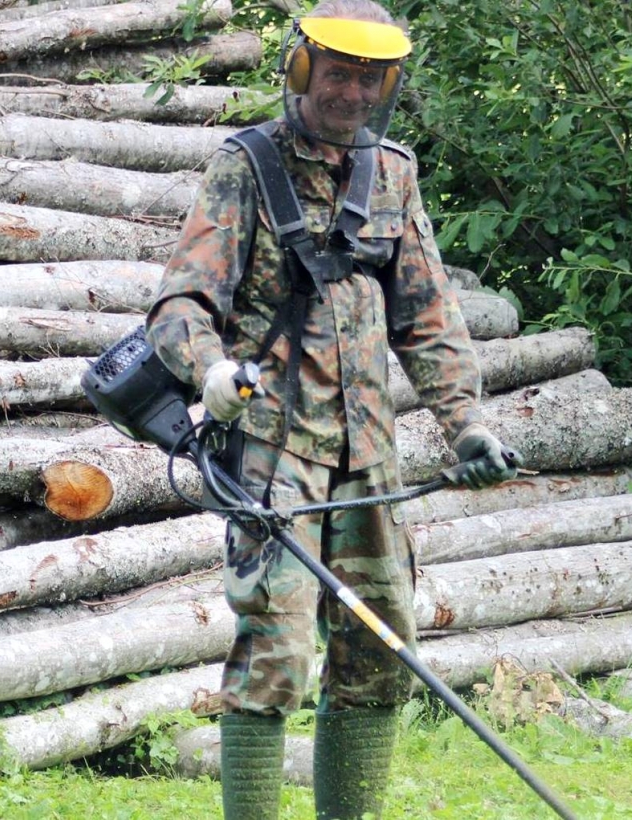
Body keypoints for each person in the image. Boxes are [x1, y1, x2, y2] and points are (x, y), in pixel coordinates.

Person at [144, 1, 517, 817]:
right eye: (340, 73)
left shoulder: (390, 173)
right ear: (304, 70)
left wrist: (468, 424)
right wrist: (211, 373)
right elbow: (179, 305)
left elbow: (428, 315)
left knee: (379, 655)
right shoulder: (247, 165)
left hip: (368, 456)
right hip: (272, 454)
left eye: (371, 77)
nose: (354, 93)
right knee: (272, 657)